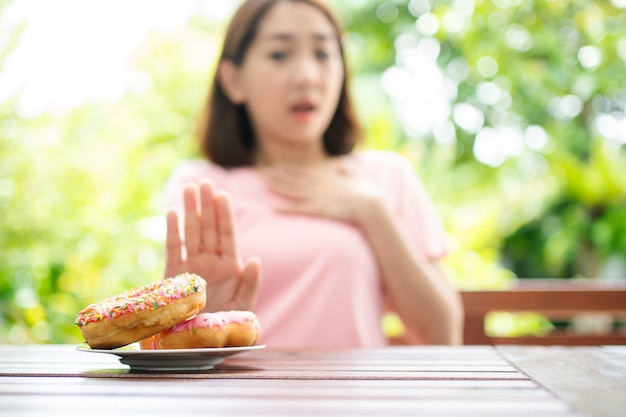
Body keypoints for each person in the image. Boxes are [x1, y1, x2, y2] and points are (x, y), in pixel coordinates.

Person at [162, 0, 464, 349]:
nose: (307, 76)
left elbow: (443, 336)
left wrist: (373, 213)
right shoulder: (202, 187)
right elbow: (176, 349)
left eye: (322, 54)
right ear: (233, 80)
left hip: (359, 400)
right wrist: (203, 317)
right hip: (241, 401)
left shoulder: (385, 178)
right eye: (279, 55)